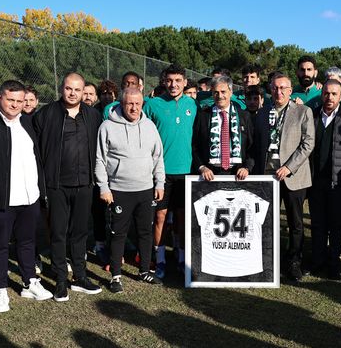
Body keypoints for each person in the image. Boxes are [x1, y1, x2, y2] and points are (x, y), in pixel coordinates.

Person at [0, 80, 53, 313]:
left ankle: (29, 282)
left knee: (27, 242)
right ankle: (0, 289)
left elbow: (37, 159)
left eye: (19, 100)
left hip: (29, 198)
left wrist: (40, 192)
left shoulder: (28, 122)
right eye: (10, 99)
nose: (15, 105)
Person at [33, 72, 103, 302]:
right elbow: (36, 151)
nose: (72, 93)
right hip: (56, 185)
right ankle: (61, 280)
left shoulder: (93, 115)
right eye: (68, 88)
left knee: (80, 232)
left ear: (84, 92)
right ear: (61, 88)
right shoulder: (46, 114)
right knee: (59, 233)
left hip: (84, 184)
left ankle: (80, 277)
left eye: (77, 89)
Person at [95, 88, 166, 293]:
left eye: (137, 103)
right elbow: (100, 159)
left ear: (142, 103)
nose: (133, 108)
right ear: (121, 103)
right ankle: (115, 275)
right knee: (118, 234)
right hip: (119, 190)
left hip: (145, 189)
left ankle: (144, 270)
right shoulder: (107, 126)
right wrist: (104, 187)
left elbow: (157, 157)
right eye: (129, 104)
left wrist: (159, 183)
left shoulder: (150, 126)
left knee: (145, 232)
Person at [253, 73, 314, 281]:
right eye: (275, 88)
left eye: (283, 88)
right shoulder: (262, 113)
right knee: (268, 221)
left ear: (290, 91)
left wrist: (289, 167)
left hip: (293, 176)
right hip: (268, 176)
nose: (278, 92)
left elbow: (308, 144)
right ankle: (271, 260)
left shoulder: (303, 111)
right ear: (270, 90)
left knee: (295, 223)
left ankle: (294, 261)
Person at [143, 64, 198, 278]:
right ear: (164, 82)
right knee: (160, 217)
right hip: (161, 173)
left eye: (178, 81)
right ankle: (161, 260)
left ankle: (182, 258)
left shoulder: (193, 105)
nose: (173, 85)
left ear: (185, 82)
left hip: (186, 173)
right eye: (169, 80)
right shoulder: (153, 104)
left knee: (183, 217)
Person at [308, 79, 341, 279]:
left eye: (334, 94)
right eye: (326, 93)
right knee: (317, 224)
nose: (329, 97)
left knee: (336, 224)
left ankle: (333, 264)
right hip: (315, 181)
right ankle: (317, 261)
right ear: (322, 95)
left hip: (339, 181)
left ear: (340, 96)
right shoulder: (312, 116)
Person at [192, 75, 254, 180]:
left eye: (223, 92)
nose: (219, 96)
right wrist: (202, 167)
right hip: (210, 175)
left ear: (231, 92)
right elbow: (194, 146)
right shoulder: (203, 116)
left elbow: (252, 146)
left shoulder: (244, 116)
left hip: (238, 174)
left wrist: (247, 168)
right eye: (216, 92)